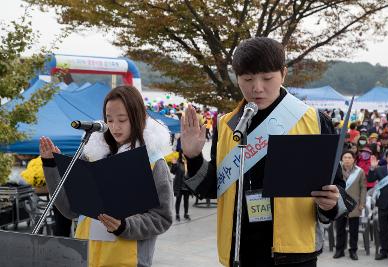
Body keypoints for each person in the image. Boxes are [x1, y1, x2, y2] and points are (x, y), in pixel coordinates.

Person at [181, 37, 348, 267]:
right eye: (247, 79)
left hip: (294, 255)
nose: (257, 88)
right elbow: (212, 189)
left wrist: (331, 203)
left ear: (283, 74)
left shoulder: (315, 121)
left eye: (267, 78)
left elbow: (339, 190)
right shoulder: (228, 125)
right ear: (237, 77)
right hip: (240, 251)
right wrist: (193, 156)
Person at [39, 85, 173, 267]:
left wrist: (124, 225)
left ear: (138, 118)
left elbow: (162, 217)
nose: (115, 127)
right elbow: (69, 210)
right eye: (109, 120)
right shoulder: (91, 155)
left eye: (122, 120)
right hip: (86, 258)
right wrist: (50, 165)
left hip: (128, 261)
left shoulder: (153, 162)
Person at [333, 151, 366, 260]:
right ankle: (339, 250)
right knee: (339, 229)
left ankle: (353, 251)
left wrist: (362, 204)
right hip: (339, 205)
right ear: (342, 159)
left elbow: (363, 188)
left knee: (354, 230)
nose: (347, 159)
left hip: (354, 205)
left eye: (349, 157)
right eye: (345, 157)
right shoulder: (337, 170)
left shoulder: (359, 172)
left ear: (353, 159)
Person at [368, 148, 388, 261]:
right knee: (383, 230)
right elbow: (370, 179)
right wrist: (372, 168)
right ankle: (384, 252)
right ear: (386, 158)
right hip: (383, 205)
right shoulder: (380, 169)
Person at [171, 151, 191, 221]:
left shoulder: (189, 163)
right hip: (179, 185)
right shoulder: (178, 163)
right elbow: (173, 171)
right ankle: (177, 214)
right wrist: (173, 164)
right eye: (183, 153)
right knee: (178, 200)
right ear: (181, 154)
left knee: (186, 201)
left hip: (186, 186)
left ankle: (186, 214)